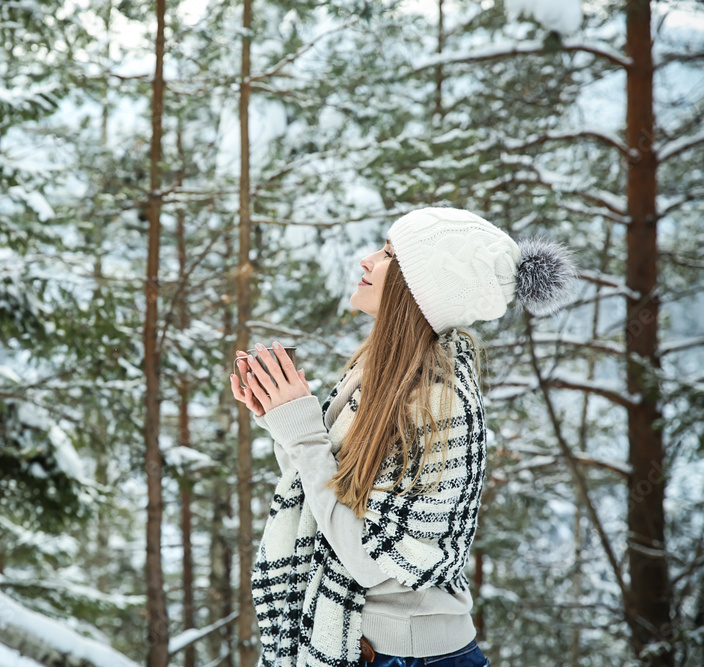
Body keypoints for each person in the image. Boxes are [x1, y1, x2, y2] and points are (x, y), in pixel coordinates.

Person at [229, 207, 578, 667]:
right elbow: (334, 498)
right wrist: (283, 422)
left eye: (390, 254)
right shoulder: (378, 371)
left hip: (409, 655)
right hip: (375, 647)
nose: (367, 260)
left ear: (422, 285)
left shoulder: (439, 400)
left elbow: (367, 560)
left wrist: (303, 432)